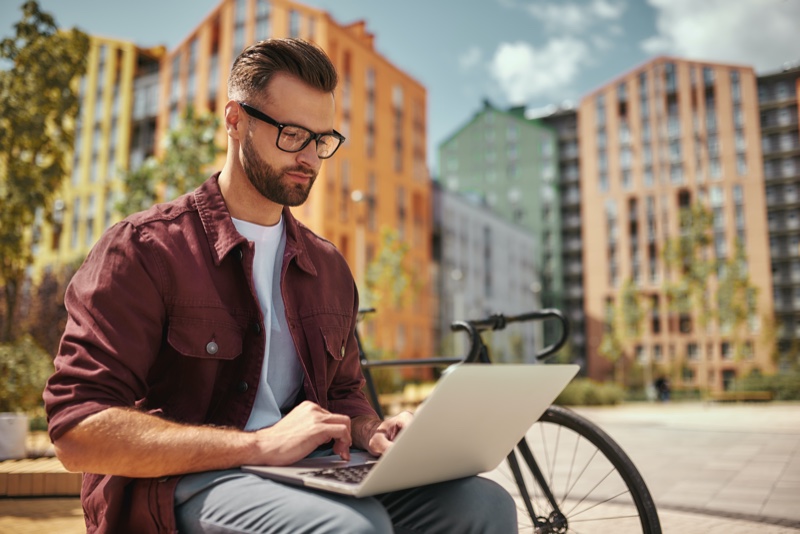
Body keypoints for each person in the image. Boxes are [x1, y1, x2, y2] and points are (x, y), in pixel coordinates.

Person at [43, 38, 516, 533]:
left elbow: (344, 392)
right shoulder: (144, 249)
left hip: (307, 471)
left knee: (484, 506)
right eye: (292, 134)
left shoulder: (327, 266)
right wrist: (258, 445)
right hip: (182, 483)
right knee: (353, 527)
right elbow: (78, 429)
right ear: (234, 120)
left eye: (322, 139)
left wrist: (373, 430)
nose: (310, 157)